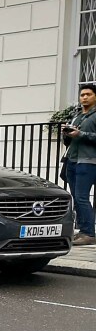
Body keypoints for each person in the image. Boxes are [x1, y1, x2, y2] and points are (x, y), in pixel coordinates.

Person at [62, 83, 96, 247]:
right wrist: (67, 133)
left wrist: (80, 134)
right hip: (72, 160)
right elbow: (69, 141)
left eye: (88, 94)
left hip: (88, 161)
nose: (84, 97)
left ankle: (89, 233)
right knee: (76, 196)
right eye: (82, 94)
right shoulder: (76, 115)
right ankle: (82, 231)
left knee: (82, 197)